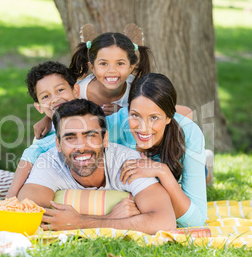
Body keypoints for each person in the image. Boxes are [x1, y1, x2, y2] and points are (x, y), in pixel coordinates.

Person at [17, 99, 176, 234]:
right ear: (58, 144)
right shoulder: (49, 162)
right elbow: (26, 215)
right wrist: (110, 218)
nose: (81, 147)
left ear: (105, 139)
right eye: (70, 138)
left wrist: (81, 222)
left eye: (90, 136)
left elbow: (164, 221)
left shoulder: (128, 163)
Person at [33, 32, 193, 139]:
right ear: (92, 67)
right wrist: (47, 119)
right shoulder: (78, 91)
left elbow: (185, 113)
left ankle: (202, 166)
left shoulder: (138, 89)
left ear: (131, 67)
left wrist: (126, 113)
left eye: (120, 63)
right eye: (103, 63)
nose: (112, 71)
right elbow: (58, 106)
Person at [106, 73, 207, 227]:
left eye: (154, 117)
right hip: (154, 189)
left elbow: (196, 222)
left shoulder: (190, 134)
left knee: (203, 174)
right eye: (135, 115)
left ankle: (206, 166)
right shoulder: (116, 125)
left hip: (178, 170)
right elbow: (64, 139)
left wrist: (163, 171)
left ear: (169, 117)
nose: (143, 128)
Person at [6, 61, 80, 197]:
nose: (55, 99)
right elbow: (30, 156)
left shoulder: (91, 116)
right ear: (39, 107)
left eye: (60, 90)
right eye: (46, 96)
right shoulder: (45, 134)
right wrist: (11, 195)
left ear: (76, 91)